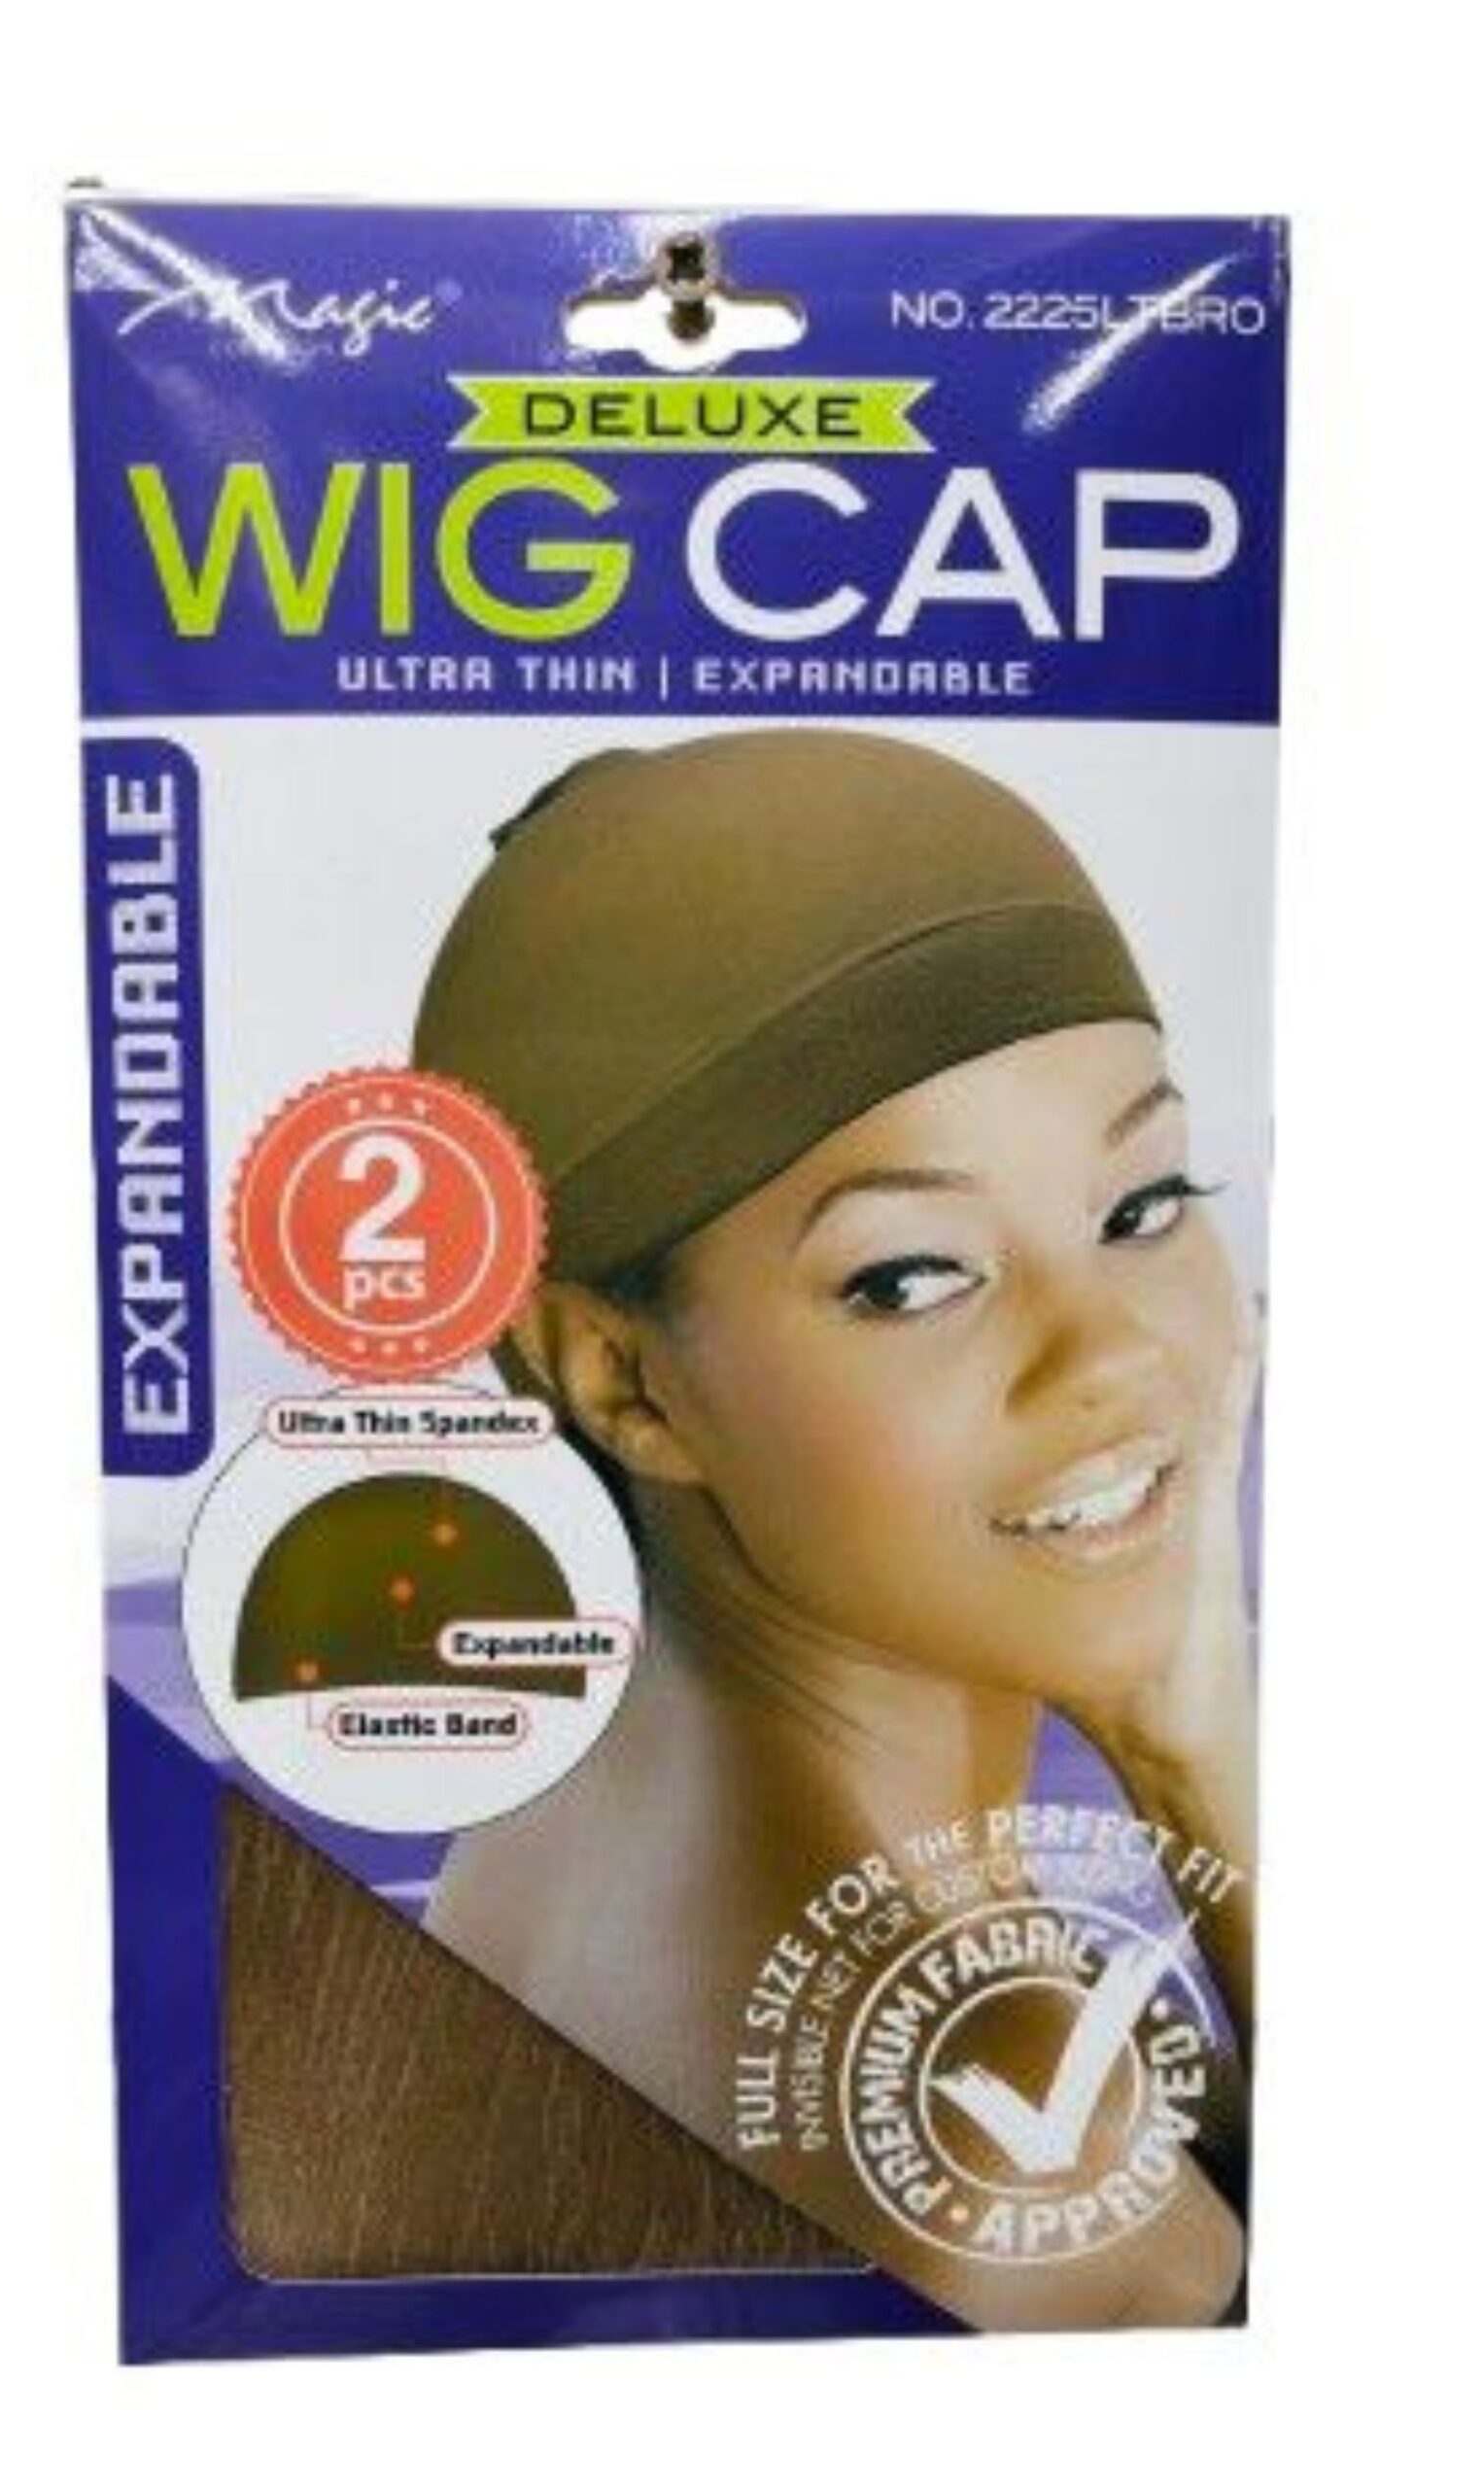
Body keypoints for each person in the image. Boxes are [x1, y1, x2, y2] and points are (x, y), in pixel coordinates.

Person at [411, 729, 1258, 2329]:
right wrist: (1217, 1786)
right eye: (913, 1276)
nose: (1113, 1356)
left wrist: (1182, 1751)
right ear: (622, 1378)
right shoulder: (995, 2135)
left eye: (1142, 1206)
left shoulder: (561, 1851)